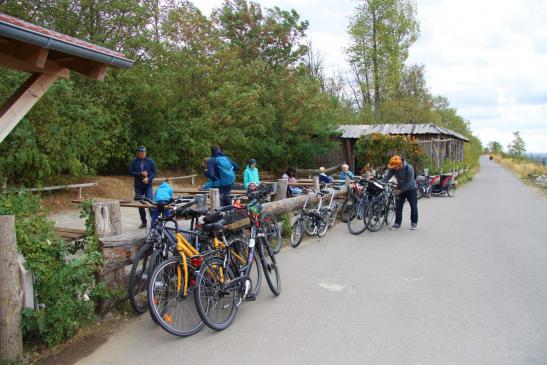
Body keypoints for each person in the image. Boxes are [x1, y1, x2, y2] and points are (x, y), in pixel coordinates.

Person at [382, 155, 418, 230]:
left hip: (411, 189)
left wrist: (400, 191)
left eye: (394, 167)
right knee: (398, 207)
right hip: (400, 188)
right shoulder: (394, 168)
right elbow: (387, 177)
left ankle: (414, 223)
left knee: (413, 206)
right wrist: (380, 183)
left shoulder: (409, 168)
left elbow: (410, 183)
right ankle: (397, 223)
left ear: (400, 164)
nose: (393, 168)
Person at [129, 146, 157, 228]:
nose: (142, 154)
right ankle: (144, 221)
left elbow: (155, 172)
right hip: (138, 186)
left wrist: (148, 178)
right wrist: (140, 173)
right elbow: (130, 172)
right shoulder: (134, 161)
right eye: (140, 153)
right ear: (138, 153)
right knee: (140, 204)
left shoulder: (150, 161)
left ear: (146, 153)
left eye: (143, 153)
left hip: (148, 184)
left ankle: (154, 221)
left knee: (150, 203)